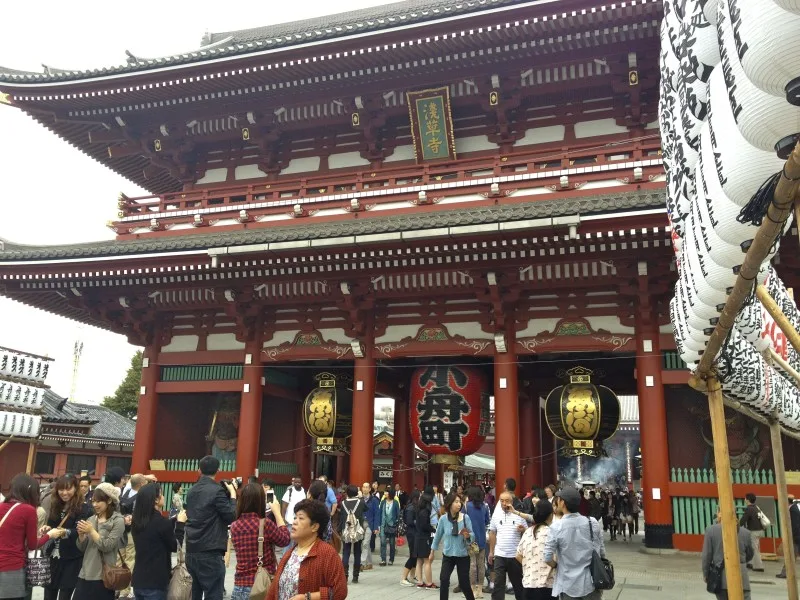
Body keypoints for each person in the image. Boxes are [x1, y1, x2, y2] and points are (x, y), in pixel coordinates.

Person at [0, 474, 65, 600]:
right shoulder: (28, 510)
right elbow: (32, 545)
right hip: (12, 567)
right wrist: (49, 535)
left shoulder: (1, 506)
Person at [266, 499, 347, 600]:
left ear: (314, 527)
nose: (294, 522)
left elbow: (340, 591)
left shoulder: (327, 553)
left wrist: (307, 597)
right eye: (295, 517)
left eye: (301, 518)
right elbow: (273, 590)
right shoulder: (290, 553)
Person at [184, 456, 237, 600]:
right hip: (210, 549)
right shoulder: (217, 491)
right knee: (213, 594)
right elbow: (231, 515)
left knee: (194, 594)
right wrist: (232, 495)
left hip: (191, 549)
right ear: (218, 470)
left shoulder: (191, 491)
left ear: (199, 470)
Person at [230, 483, 290, 600]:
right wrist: (277, 513)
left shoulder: (234, 526)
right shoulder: (265, 524)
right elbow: (285, 539)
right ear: (261, 501)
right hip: (261, 586)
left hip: (239, 586)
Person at [544, 487, 606, 600]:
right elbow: (601, 551)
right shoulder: (592, 522)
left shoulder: (556, 527)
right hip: (591, 581)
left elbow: (547, 557)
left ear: (562, 503)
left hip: (567, 583)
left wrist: (557, 565)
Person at [130, 483, 186, 600]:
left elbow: (155, 534)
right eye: (161, 494)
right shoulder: (161, 522)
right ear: (155, 499)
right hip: (156, 580)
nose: (164, 497)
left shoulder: (137, 522)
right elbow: (175, 546)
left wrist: (174, 520)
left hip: (139, 579)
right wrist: (180, 525)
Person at [75, 482, 126, 600]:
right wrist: (81, 536)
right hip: (85, 573)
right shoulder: (91, 519)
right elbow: (82, 548)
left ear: (109, 501)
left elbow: (107, 546)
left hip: (103, 576)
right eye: (93, 501)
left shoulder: (117, 520)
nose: (94, 504)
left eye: (98, 501)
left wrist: (91, 531)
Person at [44, 475, 92, 600]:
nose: (64, 493)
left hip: (71, 557)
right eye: (61, 489)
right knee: (48, 593)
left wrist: (64, 532)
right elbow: (51, 524)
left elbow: (80, 530)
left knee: (65, 594)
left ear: (75, 489)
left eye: (68, 489)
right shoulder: (56, 505)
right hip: (53, 556)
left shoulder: (83, 507)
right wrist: (46, 529)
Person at [702, 506, 754, 600]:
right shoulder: (745, 533)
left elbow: (707, 555)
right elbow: (750, 554)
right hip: (741, 575)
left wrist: (706, 574)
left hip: (722, 577)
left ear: (719, 513)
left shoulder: (711, 530)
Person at [431, 493, 475, 600]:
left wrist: (468, 535)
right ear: (450, 504)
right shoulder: (443, 519)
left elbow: (472, 535)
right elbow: (438, 535)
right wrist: (432, 551)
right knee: (444, 579)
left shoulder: (465, 518)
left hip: (463, 555)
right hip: (448, 554)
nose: (459, 504)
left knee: (464, 583)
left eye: (459, 502)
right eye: (456, 502)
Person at [488, 492, 526, 600]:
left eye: (507, 501)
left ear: (512, 502)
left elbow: (526, 533)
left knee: (518, 585)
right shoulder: (496, 515)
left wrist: (522, 530)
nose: (504, 503)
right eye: (502, 501)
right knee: (498, 584)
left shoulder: (519, 515)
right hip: (500, 554)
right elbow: (492, 532)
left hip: (515, 556)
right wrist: (491, 552)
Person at [516, 501, 555, 600]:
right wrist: (555, 565)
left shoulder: (528, 531)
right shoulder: (552, 532)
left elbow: (518, 555)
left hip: (528, 584)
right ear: (551, 515)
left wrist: (529, 564)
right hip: (547, 586)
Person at [464, 486, 490, 598]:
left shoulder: (467, 506)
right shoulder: (484, 506)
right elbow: (487, 521)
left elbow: (462, 519)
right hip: (482, 539)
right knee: (481, 564)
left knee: (472, 564)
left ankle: (472, 589)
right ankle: (480, 590)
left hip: (471, 539)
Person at [339, 485, 365, 584]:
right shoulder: (361, 502)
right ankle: (355, 577)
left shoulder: (343, 503)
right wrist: (360, 497)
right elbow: (366, 509)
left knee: (346, 552)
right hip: (358, 530)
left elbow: (342, 516)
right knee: (357, 552)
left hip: (346, 530)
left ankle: (345, 576)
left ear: (347, 493)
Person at [416, 486, 437, 589]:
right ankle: (429, 583)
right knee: (427, 560)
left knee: (419, 560)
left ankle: (420, 581)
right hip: (424, 537)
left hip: (418, 535)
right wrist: (433, 529)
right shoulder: (426, 509)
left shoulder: (420, 505)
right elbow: (425, 525)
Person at [739, 493, 765, 573]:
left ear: (747, 500)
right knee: (752, 547)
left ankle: (758, 566)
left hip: (754, 531)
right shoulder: (757, 507)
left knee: (754, 549)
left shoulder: (749, 509)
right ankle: (750, 562)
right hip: (760, 530)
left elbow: (743, 520)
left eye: (745, 498)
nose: (744, 500)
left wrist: (737, 525)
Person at [400, 490, 421, 587]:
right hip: (412, 533)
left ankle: (412, 576)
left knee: (415, 555)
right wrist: (419, 522)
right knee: (413, 555)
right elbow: (409, 522)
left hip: (415, 533)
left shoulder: (413, 506)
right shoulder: (410, 508)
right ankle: (403, 578)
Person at [778, 495, 800, 579]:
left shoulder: (793, 510)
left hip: (795, 537)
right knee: (791, 556)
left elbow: (795, 525)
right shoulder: (792, 508)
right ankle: (785, 573)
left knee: (791, 556)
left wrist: (790, 536)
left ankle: (785, 573)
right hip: (795, 536)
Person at [360, 482, 380, 572]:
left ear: (369, 489)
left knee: (365, 543)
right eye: (363, 487)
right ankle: (370, 563)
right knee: (364, 544)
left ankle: (362, 563)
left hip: (369, 524)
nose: (365, 489)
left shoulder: (374, 500)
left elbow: (377, 514)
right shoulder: (359, 499)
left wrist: (376, 527)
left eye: (366, 487)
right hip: (360, 524)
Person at [379, 489, 400, 566]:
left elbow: (398, 514)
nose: (385, 493)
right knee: (383, 542)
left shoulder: (395, 503)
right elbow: (380, 512)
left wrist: (397, 523)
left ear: (390, 493)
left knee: (391, 543)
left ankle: (391, 559)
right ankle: (383, 559)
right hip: (383, 525)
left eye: (387, 492)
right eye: (385, 492)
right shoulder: (383, 502)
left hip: (392, 525)